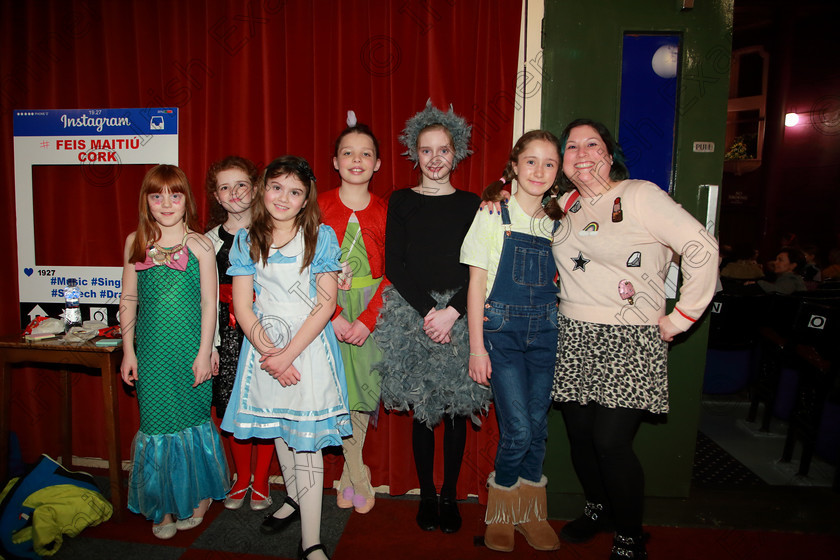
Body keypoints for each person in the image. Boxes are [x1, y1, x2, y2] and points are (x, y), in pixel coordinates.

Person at [549, 119, 718, 560]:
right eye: (571, 147)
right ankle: (597, 508)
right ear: (563, 162)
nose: (581, 153)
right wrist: (498, 196)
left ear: (609, 154)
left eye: (592, 144)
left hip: (629, 339)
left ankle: (629, 534)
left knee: (610, 442)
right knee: (581, 438)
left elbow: (703, 248)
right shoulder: (563, 203)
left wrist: (682, 317)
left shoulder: (640, 195)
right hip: (574, 334)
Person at [220, 156, 350, 560]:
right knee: (278, 428)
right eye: (276, 187)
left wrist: (288, 355)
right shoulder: (246, 239)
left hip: (308, 350)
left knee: (306, 444)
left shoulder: (321, 236)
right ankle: (294, 499)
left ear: (306, 198)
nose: (284, 198)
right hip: (264, 347)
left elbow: (326, 304)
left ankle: (311, 540)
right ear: (263, 189)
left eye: (295, 192)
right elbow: (243, 306)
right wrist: (270, 353)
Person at [376, 101, 492, 534]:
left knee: (459, 411)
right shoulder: (402, 201)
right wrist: (430, 313)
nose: (436, 158)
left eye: (444, 149)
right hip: (415, 319)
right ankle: (426, 494)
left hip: (464, 319)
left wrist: (455, 312)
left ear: (456, 152)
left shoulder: (472, 204)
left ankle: (450, 495)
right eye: (427, 150)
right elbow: (395, 265)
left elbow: (480, 265)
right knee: (425, 411)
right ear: (415, 154)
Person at [461, 131, 564, 552]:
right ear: (514, 167)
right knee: (518, 429)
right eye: (531, 161)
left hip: (546, 333)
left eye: (549, 163)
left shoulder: (561, 221)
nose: (539, 171)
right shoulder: (491, 214)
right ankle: (500, 512)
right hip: (500, 334)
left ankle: (530, 514)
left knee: (538, 430)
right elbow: (475, 285)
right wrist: (476, 347)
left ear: (558, 173)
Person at [119, 164, 230, 539]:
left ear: (187, 200)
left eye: (175, 194)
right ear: (146, 201)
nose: (166, 203)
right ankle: (162, 504)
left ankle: (199, 496)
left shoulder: (200, 244)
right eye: (156, 195)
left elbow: (209, 304)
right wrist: (128, 352)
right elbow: (128, 299)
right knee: (156, 427)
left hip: (189, 351)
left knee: (192, 423)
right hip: (150, 353)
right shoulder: (136, 241)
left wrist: (205, 352)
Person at [320, 117, 388, 514]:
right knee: (335, 389)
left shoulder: (386, 209)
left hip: (370, 309)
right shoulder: (317, 204)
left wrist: (367, 319)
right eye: (348, 153)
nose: (356, 160)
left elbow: (393, 271)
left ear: (377, 163)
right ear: (335, 161)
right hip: (325, 308)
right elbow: (304, 264)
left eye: (366, 153)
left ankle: (349, 477)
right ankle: (359, 477)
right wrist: (332, 316)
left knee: (362, 390)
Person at [205, 156, 275, 511]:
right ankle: (240, 477)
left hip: (264, 330)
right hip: (225, 335)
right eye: (224, 187)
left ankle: (262, 480)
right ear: (216, 197)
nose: (234, 193)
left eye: (241, 185)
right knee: (229, 404)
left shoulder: (273, 232)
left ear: (255, 187)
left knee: (263, 404)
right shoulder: (206, 242)